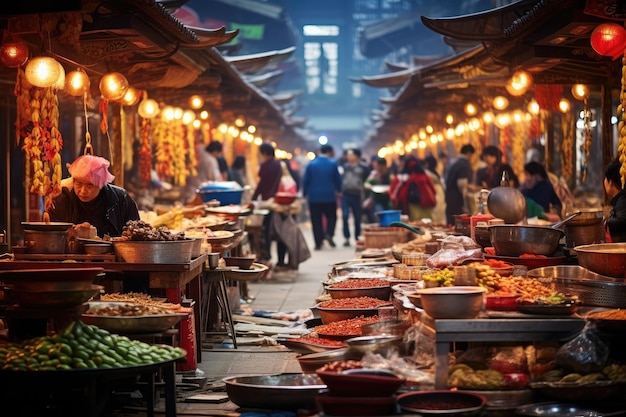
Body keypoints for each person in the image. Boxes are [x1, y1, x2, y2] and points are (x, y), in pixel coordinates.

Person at [48, 154, 140, 237]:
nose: (83, 191)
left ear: (101, 184)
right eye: (79, 184)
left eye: (90, 185)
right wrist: (72, 234)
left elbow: (137, 234)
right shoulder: (62, 202)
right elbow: (53, 238)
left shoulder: (121, 199)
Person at [302, 144, 342, 250]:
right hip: (329, 196)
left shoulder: (311, 164)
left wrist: (304, 193)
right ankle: (329, 233)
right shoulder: (333, 163)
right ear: (329, 152)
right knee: (332, 217)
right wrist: (339, 190)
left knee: (316, 220)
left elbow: (306, 180)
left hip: (314, 197)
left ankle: (318, 242)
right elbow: (337, 179)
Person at [252, 142, 283, 268]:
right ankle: (274, 257)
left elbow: (261, 184)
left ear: (264, 153)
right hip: (278, 201)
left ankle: (266, 255)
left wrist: (253, 198)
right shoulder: (278, 165)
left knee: (266, 229)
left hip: (268, 203)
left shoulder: (265, 166)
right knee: (275, 229)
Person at [391, 155, 437, 221]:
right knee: (428, 224)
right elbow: (433, 190)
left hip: (413, 206)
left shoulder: (407, 178)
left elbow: (402, 194)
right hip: (427, 206)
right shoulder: (425, 175)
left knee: (416, 225)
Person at [340, 148, 370, 247]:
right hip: (346, 194)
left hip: (358, 195)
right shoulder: (345, 167)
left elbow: (368, 181)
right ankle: (346, 237)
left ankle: (357, 237)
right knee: (344, 216)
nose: (348, 157)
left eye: (351, 155)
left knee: (357, 217)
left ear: (357, 156)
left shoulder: (364, 168)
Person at [181, 140, 222, 204]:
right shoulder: (211, 160)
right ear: (215, 151)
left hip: (189, 188)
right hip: (201, 192)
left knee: (188, 206)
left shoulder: (197, 154)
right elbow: (215, 178)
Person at [445, 144, 475, 226]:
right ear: (469, 153)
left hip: (449, 196)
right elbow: (462, 184)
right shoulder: (463, 164)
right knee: (458, 222)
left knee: (451, 221)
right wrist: (465, 200)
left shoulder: (454, 162)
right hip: (457, 198)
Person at [363, 157, 393, 221]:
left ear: (382, 166)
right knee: (379, 216)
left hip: (389, 199)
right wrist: (371, 187)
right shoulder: (374, 174)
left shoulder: (390, 174)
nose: (375, 167)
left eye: (377, 165)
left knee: (389, 218)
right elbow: (366, 184)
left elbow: (394, 185)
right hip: (377, 199)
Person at [604, 160, 626, 242]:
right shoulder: (620, 198)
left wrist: (605, 222)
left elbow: (622, 219)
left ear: (610, 182)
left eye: (605, 178)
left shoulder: (623, 199)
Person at [423, 155, 446, 225]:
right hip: (440, 195)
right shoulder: (436, 173)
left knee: (435, 217)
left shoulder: (427, 173)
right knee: (439, 217)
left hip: (434, 194)